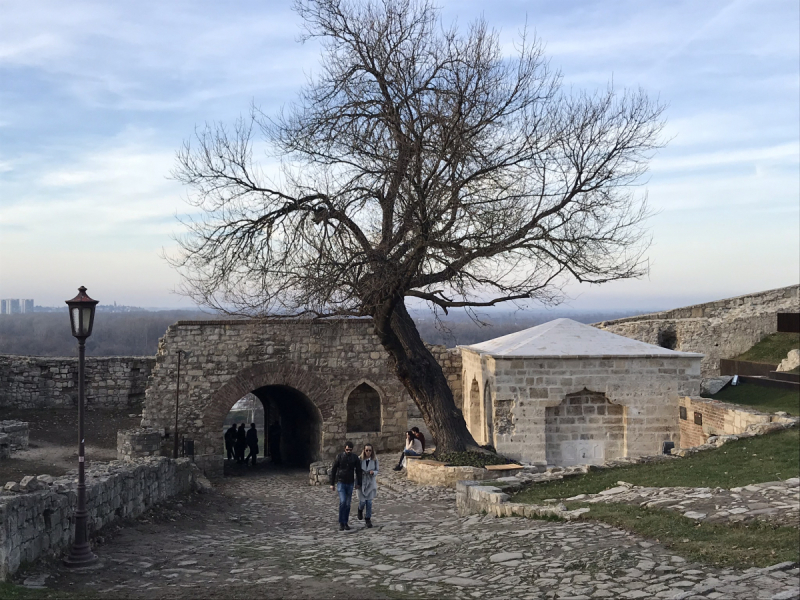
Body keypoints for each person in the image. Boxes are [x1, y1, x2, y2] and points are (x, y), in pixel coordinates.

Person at [329, 440, 362, 531]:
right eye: (347, 450)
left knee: (347, 504)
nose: (349, 451)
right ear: (344, 449)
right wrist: (332, 483)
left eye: (350, 450)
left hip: (350, 482)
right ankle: (341, 522)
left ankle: (345, 522)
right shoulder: (339, 457)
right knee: (343, 501)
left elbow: (358, 471)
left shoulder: (355, 458)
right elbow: (334, 469)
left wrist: (358, 482)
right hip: (341, 482)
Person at [356, 444, 379, 528]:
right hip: (362, 482)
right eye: (367, 450)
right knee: (362, 501)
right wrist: (357, 483)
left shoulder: (375, 459)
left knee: (369, 502)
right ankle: (360, 509)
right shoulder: (359, 459)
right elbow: (356, 471)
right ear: (364, 450)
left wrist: (373, 472)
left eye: (370, 450)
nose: (368, 452)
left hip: (370, 482)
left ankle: (368, 519)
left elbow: (377, 469)